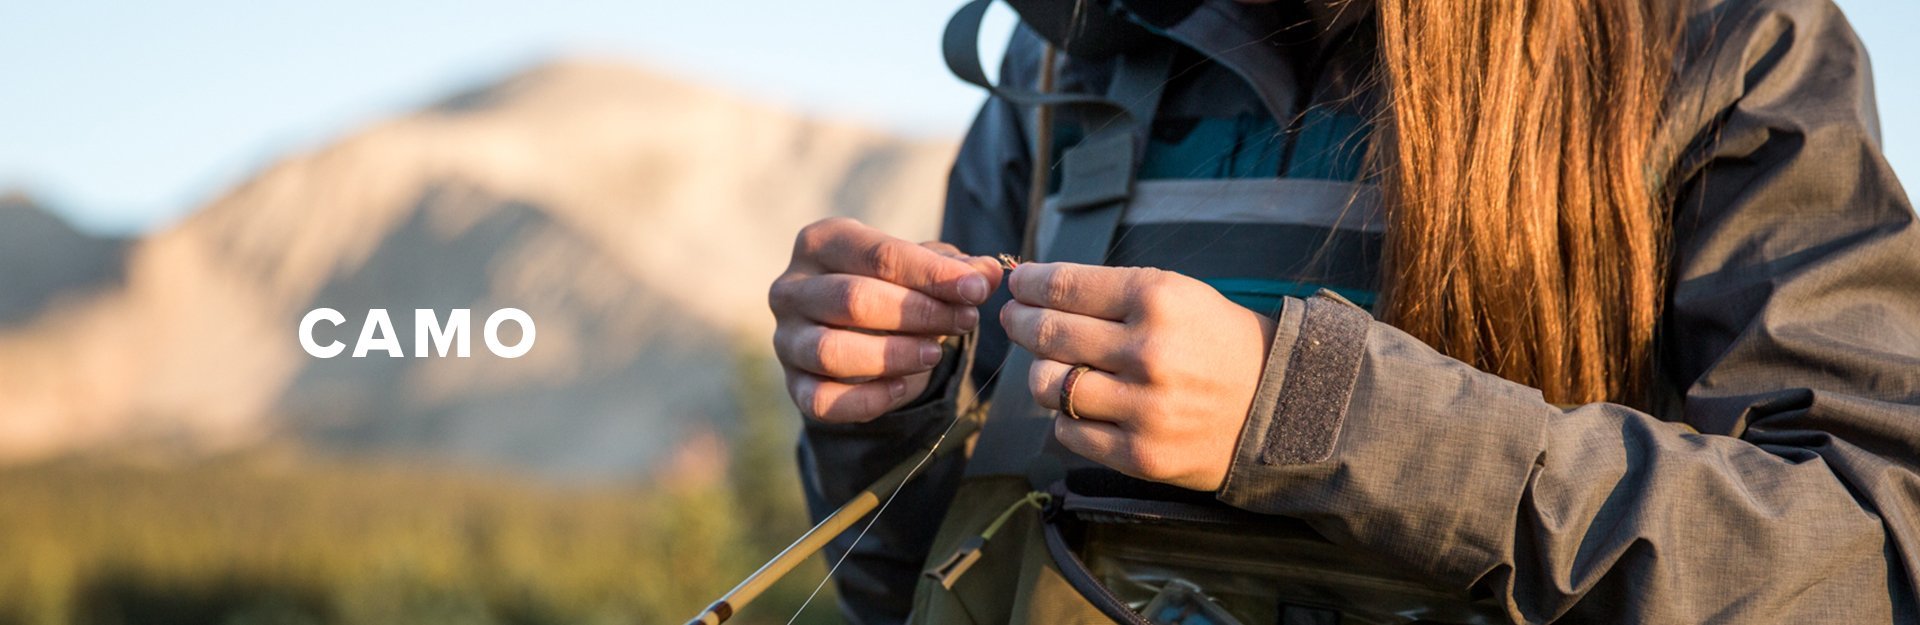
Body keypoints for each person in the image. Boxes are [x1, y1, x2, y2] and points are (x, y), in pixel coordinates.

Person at [768, 0, 1920, 622]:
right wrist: (878, 414)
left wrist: (1318, 412)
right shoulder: (1056, 66)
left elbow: (1861, 559)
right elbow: (909, 582)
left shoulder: (1729, 42)